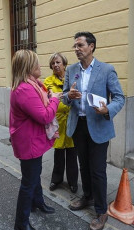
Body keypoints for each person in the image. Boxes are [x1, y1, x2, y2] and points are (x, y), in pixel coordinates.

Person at [63, 32, 125, 230]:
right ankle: (87, 195)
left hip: (98, 125)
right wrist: (69, 96)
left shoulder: (107, 69)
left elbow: (119, 98)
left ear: (91, 46)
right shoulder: (71, 69)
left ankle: (101, 211)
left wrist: (108, 109)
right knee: (84, 165)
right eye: (75, 45)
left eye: (80, 45)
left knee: (98, 170)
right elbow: (64, 97)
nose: (76, 49)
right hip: (78, 125)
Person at [9, 49, 62, 230]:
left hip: (32, 140)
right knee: (28, 182)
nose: (40, 66)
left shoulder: (34, 85)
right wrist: (55, 99)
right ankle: (21, 223)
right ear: (28, 67)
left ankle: (37, 203)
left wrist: (51, 97)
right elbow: (45, 115)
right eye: (36, 63)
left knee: (35, 174)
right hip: (28, 142)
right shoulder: (25, 89)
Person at [43, 53, 78, 194]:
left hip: (71, 120)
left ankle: (73, 182)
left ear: (64, 64)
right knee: (58, 154)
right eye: (53, 63)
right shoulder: (48, 81)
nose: (56, 65)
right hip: (57, 122)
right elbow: (45, 100)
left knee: (72, 154)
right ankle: (56, 179)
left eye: (58, 62)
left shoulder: (73, 79)